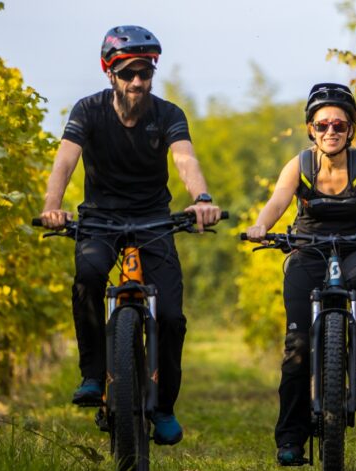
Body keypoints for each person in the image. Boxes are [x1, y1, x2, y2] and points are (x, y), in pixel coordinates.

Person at [39, 25, 220, 445]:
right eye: (128, 73)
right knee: (89, 276)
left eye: (145, 73)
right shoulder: (88, 110)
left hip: (154, 219)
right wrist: (53, 205)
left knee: (172, 316)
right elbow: (65, 160)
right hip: (100, 218)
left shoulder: (169, 114)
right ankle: (92, 375)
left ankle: (165, 407)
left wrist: (202, 198)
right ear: (110, 73)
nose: (138, 81)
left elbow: (185, 158)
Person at [245, 83, 356, 465]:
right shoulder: (300, 165)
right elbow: (277, 200)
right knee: (296, 349)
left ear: (351, 128)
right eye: (322, 125)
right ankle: (290, 439)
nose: (330, 132)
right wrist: (260, 225)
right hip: (307, 250)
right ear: (310, 128)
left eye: (339, 125)